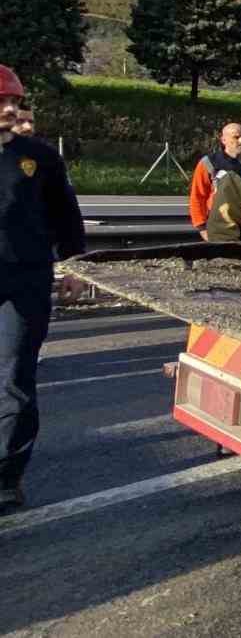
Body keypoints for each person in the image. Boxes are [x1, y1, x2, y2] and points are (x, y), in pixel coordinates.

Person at [0, 63, 87, 515]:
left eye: (14, 101)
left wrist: (74, 267)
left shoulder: (39, 159)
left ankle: (6, 475)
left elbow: (67, 219)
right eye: (2, 102)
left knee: (13, 377)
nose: (11, 109)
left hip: (24, 280)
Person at [187, 122, 241, 240]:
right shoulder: (209, 163)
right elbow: (198, 197)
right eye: (236, 137)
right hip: (219, 225)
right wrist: (202, 228)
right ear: (223, 140)